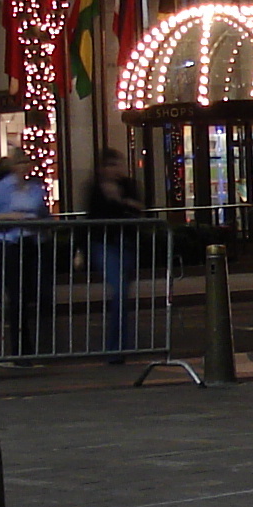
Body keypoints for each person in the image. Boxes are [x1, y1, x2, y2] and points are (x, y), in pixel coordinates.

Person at [0, 153, 56, 356]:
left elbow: (43, 214)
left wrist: (44, 224)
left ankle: (44, 343)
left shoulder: (35, 188)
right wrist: (12, 217)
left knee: (40, 294)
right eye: (20, 163)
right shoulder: (0, 189)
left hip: (33, 242)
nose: (24, 167)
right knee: (17, 296)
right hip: (9, 243)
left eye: (26, 163)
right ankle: (21, 348)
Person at [85, 146, 148, 361]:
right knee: (120, 292)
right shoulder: (96, 189)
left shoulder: (128, 186)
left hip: (126, 242)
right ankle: (116, 349)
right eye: (110, 165)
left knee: (122, 294)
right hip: (106, 243)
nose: (115, 169)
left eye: (117, 164)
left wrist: (120, 201)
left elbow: (139, 208)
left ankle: (119, 345)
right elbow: (93, 218)